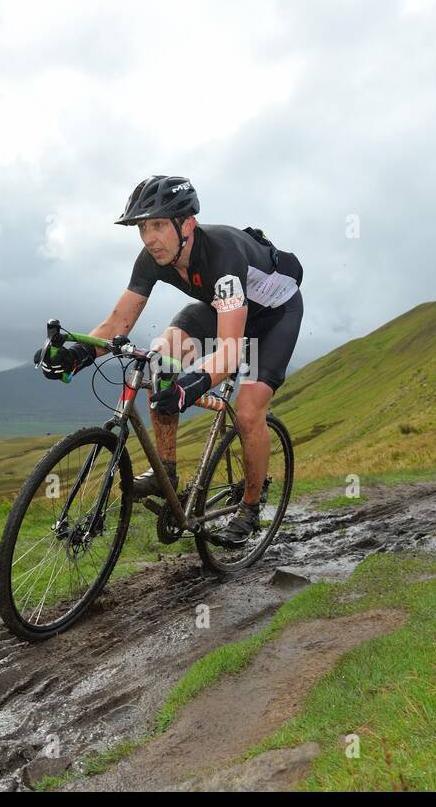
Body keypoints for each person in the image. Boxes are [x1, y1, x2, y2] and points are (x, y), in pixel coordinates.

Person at [34, 176, 304, 545]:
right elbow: (117, 324)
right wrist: (76, 353)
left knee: (247, 411)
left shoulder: (223, 258)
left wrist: (190, 386)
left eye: (158, 225)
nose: (149, 238)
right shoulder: (152, 259)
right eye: (143, 227)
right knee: (161, 362)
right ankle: (167, 473)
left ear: (187, 224)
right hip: (219, 309)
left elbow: (229, 351)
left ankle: (251, 507)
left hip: (273, 317)